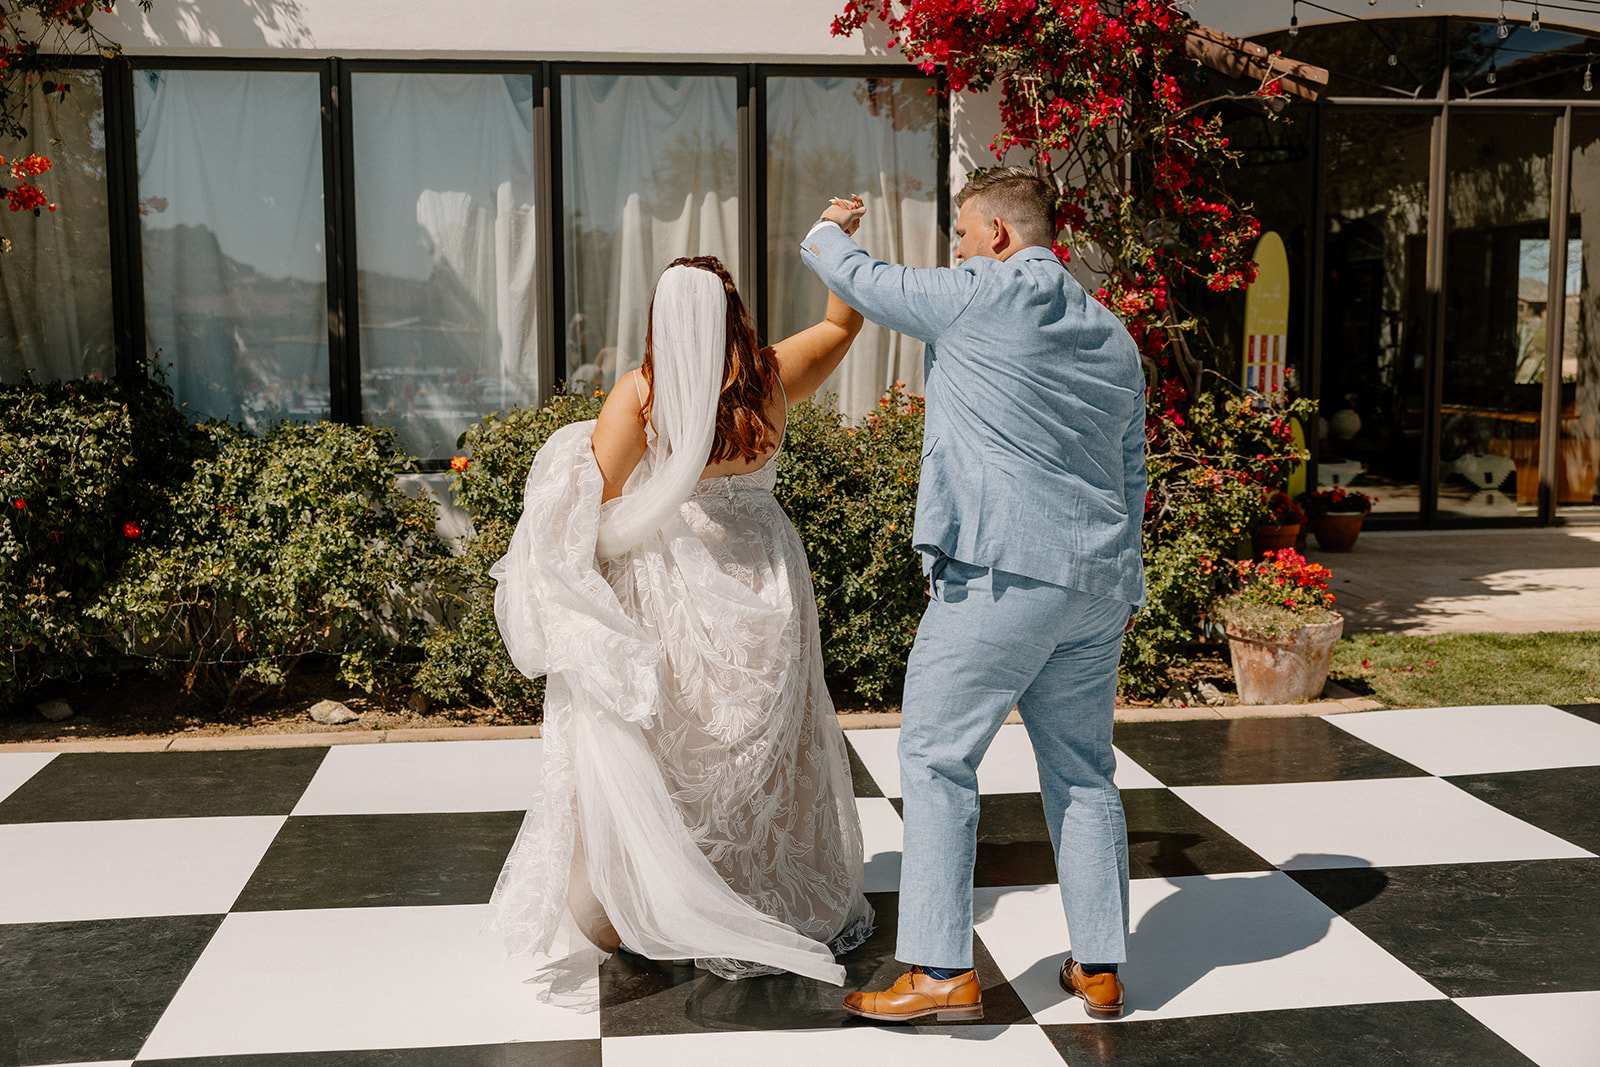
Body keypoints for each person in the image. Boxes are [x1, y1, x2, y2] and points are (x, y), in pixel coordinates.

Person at [802, 169, 1147, 1021]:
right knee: (1084, 772)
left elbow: (867, 283)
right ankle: (1100, 964)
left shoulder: (981, 291)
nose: (954, 250)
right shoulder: (1111, 332)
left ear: (995, 234)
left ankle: (939, 969)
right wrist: (1121, 575)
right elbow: (1132, 468)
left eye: (959, 233)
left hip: (1003, 567)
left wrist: (828, 228)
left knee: (935, 755)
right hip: (1097, 579)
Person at [489, 253, 874, 988]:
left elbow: (589, 514)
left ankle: (675, 896)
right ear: (735, 313)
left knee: (681, 742)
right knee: (764, 748)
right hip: (769, 581)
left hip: (678, 587)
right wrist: (834, 242)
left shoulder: (643, 396)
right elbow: (841, 321)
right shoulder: (773, 378)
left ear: (660, 318)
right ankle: (755, 888)